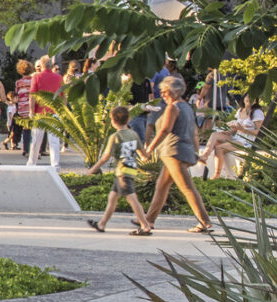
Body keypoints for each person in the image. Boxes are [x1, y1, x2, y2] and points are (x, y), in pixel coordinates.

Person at [143, 75, 213, 234]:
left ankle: (205, 222)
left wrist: (149, 149)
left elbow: (164, 130)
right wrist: (196, 153)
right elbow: (194, 132)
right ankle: (149, 220)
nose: (162, 95)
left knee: (187, 188)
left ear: (174, 91)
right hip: (181, 152)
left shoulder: (173, 107)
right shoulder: (187, 107)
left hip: (174, 152)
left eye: (165, 91)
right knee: (161, 186)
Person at [84, 106, 150, 234]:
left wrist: (92, 170)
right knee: (112, 198)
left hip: (122, 172)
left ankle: (145, 225)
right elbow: (143, 155)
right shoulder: (133, 134)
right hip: (130, 170)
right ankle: (102, 224)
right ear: (128, 119)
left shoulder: (115, 137)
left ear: (113, 121)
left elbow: (105, 157)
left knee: (132, 199)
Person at [198, 94, 265, 178]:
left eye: (251, 97)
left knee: (219, 148)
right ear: (243, 98)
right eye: (247, 96)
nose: (248, 99)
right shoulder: (240, 110)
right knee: (215, 134)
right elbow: (236, 128)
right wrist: (227, 130)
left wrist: (242, 130)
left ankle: (217, 175)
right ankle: (204, 156)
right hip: (236, 137)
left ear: (255, 101)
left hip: (246, 141)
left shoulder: (257, 112)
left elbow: (259, 132)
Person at [25, 55, 64, 169]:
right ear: (52, 65)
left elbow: (32, 96)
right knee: (54, 140)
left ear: (41, 65)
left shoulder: (37, 77)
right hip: (54, 112)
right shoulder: (59, 78)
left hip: (40, 112)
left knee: (36, 139)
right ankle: (55, 164)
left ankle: (32, 163)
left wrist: (31, 111)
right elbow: (62, 96)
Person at [9, 58, 34, 153]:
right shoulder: (33, 80)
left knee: (25, 129)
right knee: (32, 129)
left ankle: (26, 149)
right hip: (31, 106)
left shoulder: (18, 82)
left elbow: (17, 94)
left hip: (21, 108)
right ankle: (30, 149)